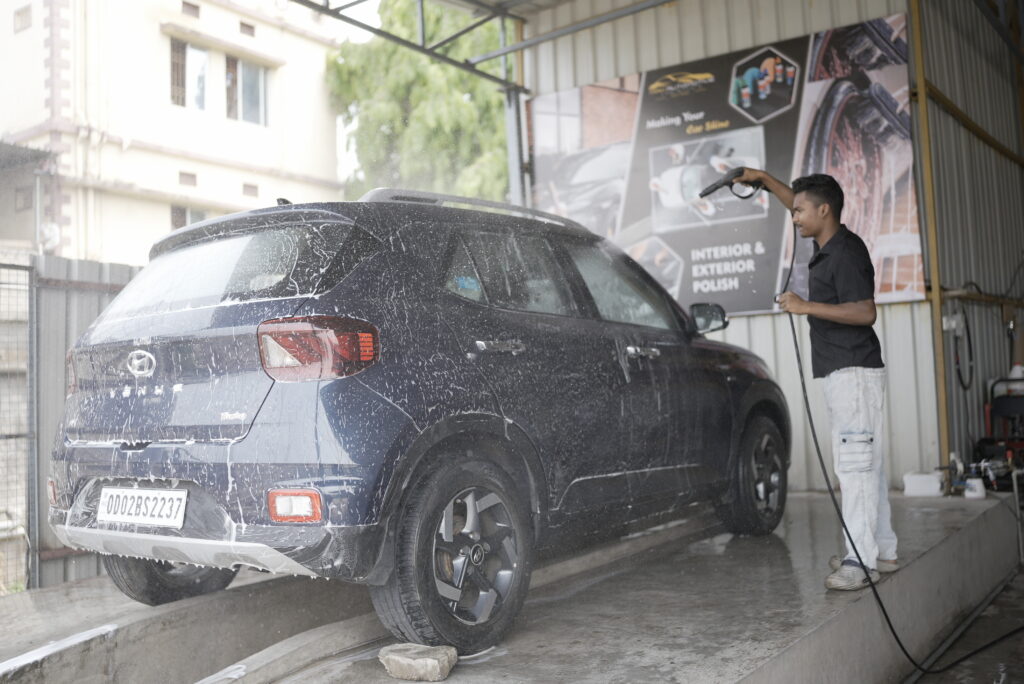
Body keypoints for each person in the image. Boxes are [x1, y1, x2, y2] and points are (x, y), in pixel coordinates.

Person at [734, 168, 899, 591]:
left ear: (825, 211)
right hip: (845, 371)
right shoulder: (828, 244)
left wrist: (806, 307)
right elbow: (797, 200)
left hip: (853, 372)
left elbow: (865, 312)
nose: (794, 216)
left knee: (856, 467)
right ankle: (880, 549)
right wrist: (765, 181)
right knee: (867, 465)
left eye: (801, 211)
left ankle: (859, 562)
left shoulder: (844, 253)